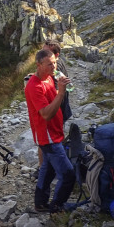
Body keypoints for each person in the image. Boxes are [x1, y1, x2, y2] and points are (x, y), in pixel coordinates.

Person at [25, 48, 76, 212]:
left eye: (54, 62)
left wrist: (60, 89)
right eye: (49, 64)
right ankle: (57, 206)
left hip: (54, 132)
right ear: (38, 65)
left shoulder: (49, 78)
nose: (54, 67)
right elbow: (46, 114)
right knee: (68, 175)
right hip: (48, 136)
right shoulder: (34, 86)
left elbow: (52, 102)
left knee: (48, 170)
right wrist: (60, 93)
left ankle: (40, 203)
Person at [34, 40, 72, 175]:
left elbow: (57, 91)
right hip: (58, 108)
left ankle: (44, 168)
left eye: (47, 51)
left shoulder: (55, 69)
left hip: (56, 109)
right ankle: (47, 168)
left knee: (49, 141)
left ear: (56, 55)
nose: (42, 52)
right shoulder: (53, 68)